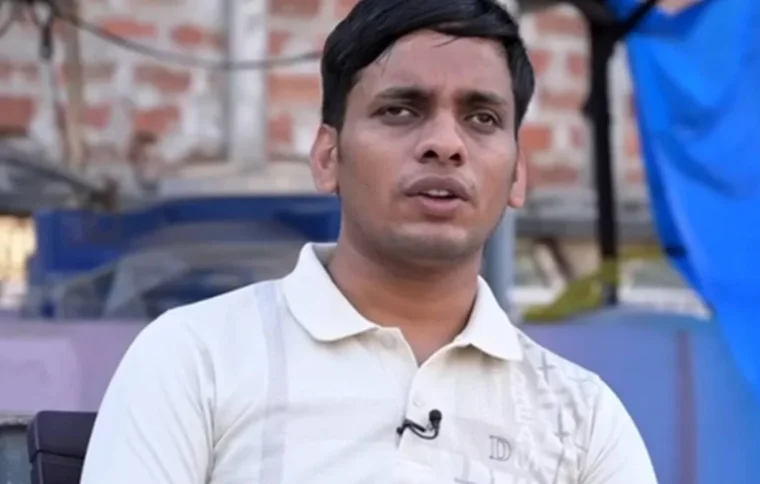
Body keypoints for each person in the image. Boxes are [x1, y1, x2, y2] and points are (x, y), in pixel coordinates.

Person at [80, 0, 657, 482]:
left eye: (481, 118)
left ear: (518, 174)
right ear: (328, 157)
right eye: (401, 110)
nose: (445, 144)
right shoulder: (197, 359)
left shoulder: (581, 421)